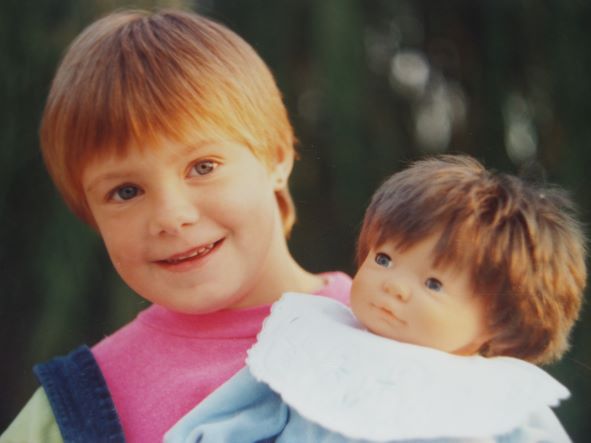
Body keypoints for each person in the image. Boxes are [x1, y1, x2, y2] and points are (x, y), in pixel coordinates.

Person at [0, 9, 352, 443]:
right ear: (90, 213)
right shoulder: (71, 413)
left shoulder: (412, 329)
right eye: (126, 192)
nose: (171, 216)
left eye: (203, 166)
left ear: (276, 157)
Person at [165, 155, 587, 443]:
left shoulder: (496, 397)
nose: (394, 285)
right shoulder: (318, 342)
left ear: (499, 319)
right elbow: (228, 421)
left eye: (434, 284)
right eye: (384, 258)